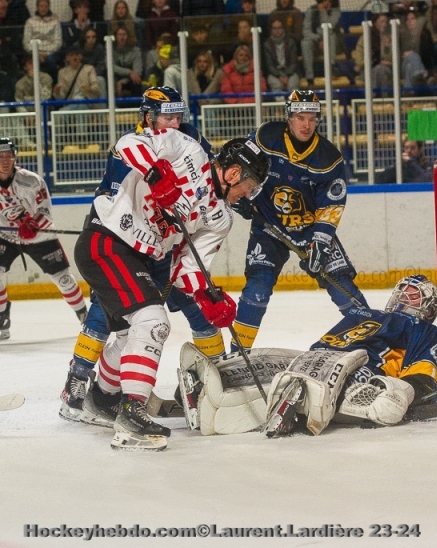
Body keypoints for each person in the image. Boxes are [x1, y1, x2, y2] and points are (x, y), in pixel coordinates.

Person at [72, 113, 271, 451]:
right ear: (234, 173)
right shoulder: (186, 150)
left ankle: (102, 400)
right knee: (153, 322)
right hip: (107, 239)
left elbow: (187, 268)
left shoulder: (221, 218)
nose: (245, 196)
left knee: (127, 337)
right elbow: (127, 144)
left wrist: (209, 297)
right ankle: (131, 412)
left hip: (142, 259)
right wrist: (153, 173)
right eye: (247, 188)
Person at [58, 86, 225, 424]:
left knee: (197, 305)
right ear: (149, 116)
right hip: (128, 243)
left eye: (179, 115)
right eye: (168, 116)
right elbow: (119, 195)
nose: (175, 122)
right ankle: (77, 381)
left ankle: (218, 376)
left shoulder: (190, 141)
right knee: (107, 314)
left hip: (166, 248)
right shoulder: (133, 146)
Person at [178, 275, 437, 435]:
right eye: (403, 291)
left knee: (294, 385)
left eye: (414, 295)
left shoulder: (424, 331)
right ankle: (210, 388)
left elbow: (424, 375)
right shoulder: (365, 313)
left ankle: (219, 405)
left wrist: (405, 394)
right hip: (318, 358)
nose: (405, 296)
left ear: (429, 309)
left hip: (359, 376)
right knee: (262, 361)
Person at [230, 90, 369, 352]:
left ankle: (377, 342)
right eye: (300, 117)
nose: (306, 124)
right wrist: (242, 196)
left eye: (312, 118)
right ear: (288, 117)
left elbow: (331, 204)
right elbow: (239, 165)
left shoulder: (328, 158)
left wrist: (321, 242)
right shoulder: (266, 136)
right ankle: (238, 354)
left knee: (344, 289)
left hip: (310, 230)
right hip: (268, 226)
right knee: (256, 290)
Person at [0, 137, 88, 341]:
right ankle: (2, 317)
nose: (4, 161)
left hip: (39, 237)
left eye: (8, 156)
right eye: (0, 156)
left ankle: (85, 317)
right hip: (5, 235)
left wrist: (33, 225)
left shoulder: (31, 181)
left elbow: (46, 213)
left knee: (64, 279)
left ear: (14, 158)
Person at [301, 0, 342, 83]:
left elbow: (329, 27)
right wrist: (319, 39)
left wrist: (323, 13)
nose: (327, 3)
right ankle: (309, 76)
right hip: (316, 42)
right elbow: (306, 31)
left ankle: (331, 70)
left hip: (332, 43)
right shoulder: (311, 10)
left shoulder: (335, 11)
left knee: (331, 37)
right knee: (305, 43)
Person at [22, 0, 61, 81]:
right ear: (37, 7)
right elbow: (26, 43)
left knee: (51, 61)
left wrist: (46, 54)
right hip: (33, 52)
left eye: (45, 6)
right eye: (41, 6)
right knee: (31, 63)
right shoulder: (30, 22)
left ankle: (53, 84)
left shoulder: (55, 21)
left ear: (49, 7)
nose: (43, 8)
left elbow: (58, 42)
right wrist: (37, 54)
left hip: (50, 53)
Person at [352, 13, 392, 92]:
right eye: (382, 22)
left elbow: (391, 60)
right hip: (367, 70)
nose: (384, 24)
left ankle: (375, 98)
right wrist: (375, 62)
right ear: (375, 22)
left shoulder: (389, 38)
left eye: (386, 22)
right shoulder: (365, 39)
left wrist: (387, 47)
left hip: (387, 70)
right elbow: (359, 60)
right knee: (379, 69)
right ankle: (384, 99)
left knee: (381, 70)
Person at [263, 18, 301, 93]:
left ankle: (293, 105)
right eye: (274, 28)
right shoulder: (267, 44)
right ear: (271, 30)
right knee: (276, 86)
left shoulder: (291, 42)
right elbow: (269, 65)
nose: (277, 30)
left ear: (283, 29)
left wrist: (287, 75)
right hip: (274, 73)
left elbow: (293, 63)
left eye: (279, 28)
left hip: (290, 72)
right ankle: (280, 105)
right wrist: (279, 76)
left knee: (293, 85)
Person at [111, 25, 142, 97]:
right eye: (119, 35)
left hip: (129, 80)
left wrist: (122, 81)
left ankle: (136, 106)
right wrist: (129, 72)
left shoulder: (135, 50)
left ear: (128, 36)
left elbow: (137, 71)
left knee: (136, 81)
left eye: (124, 34)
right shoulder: (111, 49)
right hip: (116, 77)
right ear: (115, 36)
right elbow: (111, 66)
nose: (122, 37)